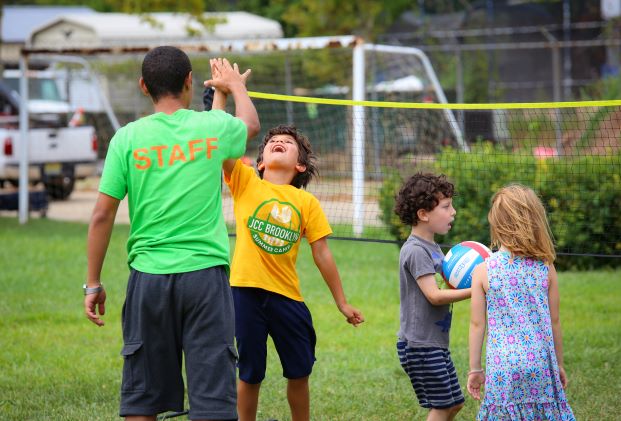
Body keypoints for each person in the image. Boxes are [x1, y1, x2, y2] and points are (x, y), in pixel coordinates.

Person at [83, 47, 260, 421]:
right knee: (213, 402)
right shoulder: (208, 128)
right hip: (205, 279)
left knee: (142, 401)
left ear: (143, 86)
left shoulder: (126, 138)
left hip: (148, 280)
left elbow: (101, 216)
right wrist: (233, 87)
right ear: (189, 82)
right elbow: (248, 126)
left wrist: (93, 283)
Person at [206, 79, 364, 421]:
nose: (278, 143)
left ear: (300, 166)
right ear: (260, 161)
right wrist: (224, 91)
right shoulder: (246, 182)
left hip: (287, 297)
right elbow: (217, 139)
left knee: (298, 371)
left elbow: (322, 253)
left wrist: (341, 301)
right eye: (273, 142)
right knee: (249, 372)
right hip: (244, 293)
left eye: (287, 144)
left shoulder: (305, 201)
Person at [467, 184, 575, 420]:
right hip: (540, 362)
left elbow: (477, 325)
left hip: (503, 367)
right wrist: (559, 364)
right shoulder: (546, 267)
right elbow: (554, 321)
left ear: (496, 223)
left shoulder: (483, 270)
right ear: (535, 222)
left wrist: (475, 369)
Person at [393, 173, 471, 421]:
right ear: (423, 214)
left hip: (434, 342)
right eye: (446, 207)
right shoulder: (415, 250)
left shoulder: (434, 248)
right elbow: (434, 296)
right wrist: (476, 290)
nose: (453, 212)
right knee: (441, 406)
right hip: (420, 345)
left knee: (455, 403)